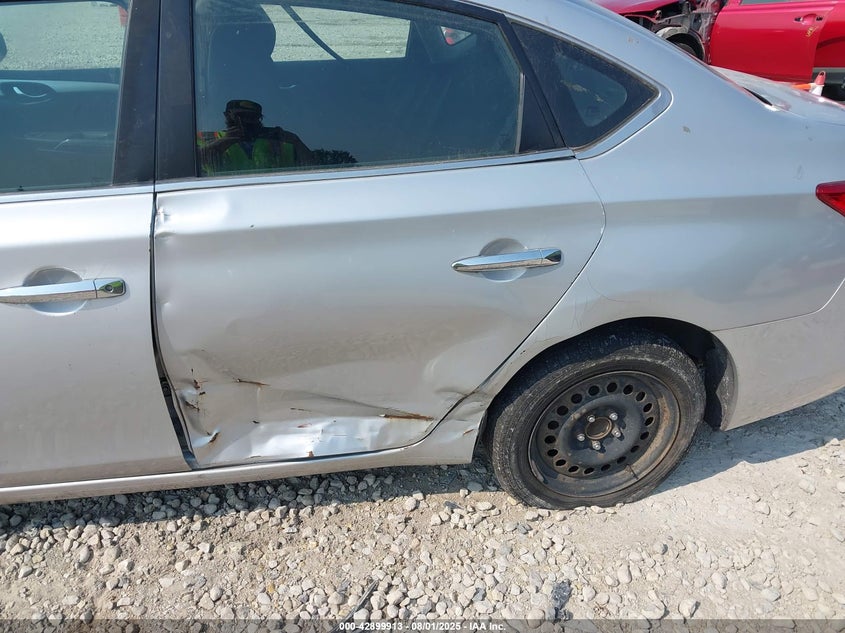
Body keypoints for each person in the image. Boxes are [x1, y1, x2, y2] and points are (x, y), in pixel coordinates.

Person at [198, 99, 313, 174]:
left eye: (253, 117)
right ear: (227, 116)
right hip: (225, 195)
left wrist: (294, 141)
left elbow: (312, 166)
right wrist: (224, 142)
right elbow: (194, 165)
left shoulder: (280, 141)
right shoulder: (207, 138)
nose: (248, 121)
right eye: (241, 116)